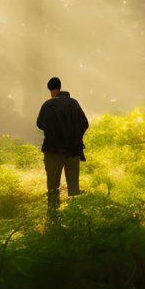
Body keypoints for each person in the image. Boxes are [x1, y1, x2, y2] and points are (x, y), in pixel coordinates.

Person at [36, 76, 88, 210]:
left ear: (52, 90)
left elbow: (40, 124)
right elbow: (84, 123)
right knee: (74, 187)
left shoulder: (48, 105)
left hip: (53, 151)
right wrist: (75, 137)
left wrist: (54, 133)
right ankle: (75, 214)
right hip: (73, 150)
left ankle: (54, 215)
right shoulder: (74, 104)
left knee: (53, 186)